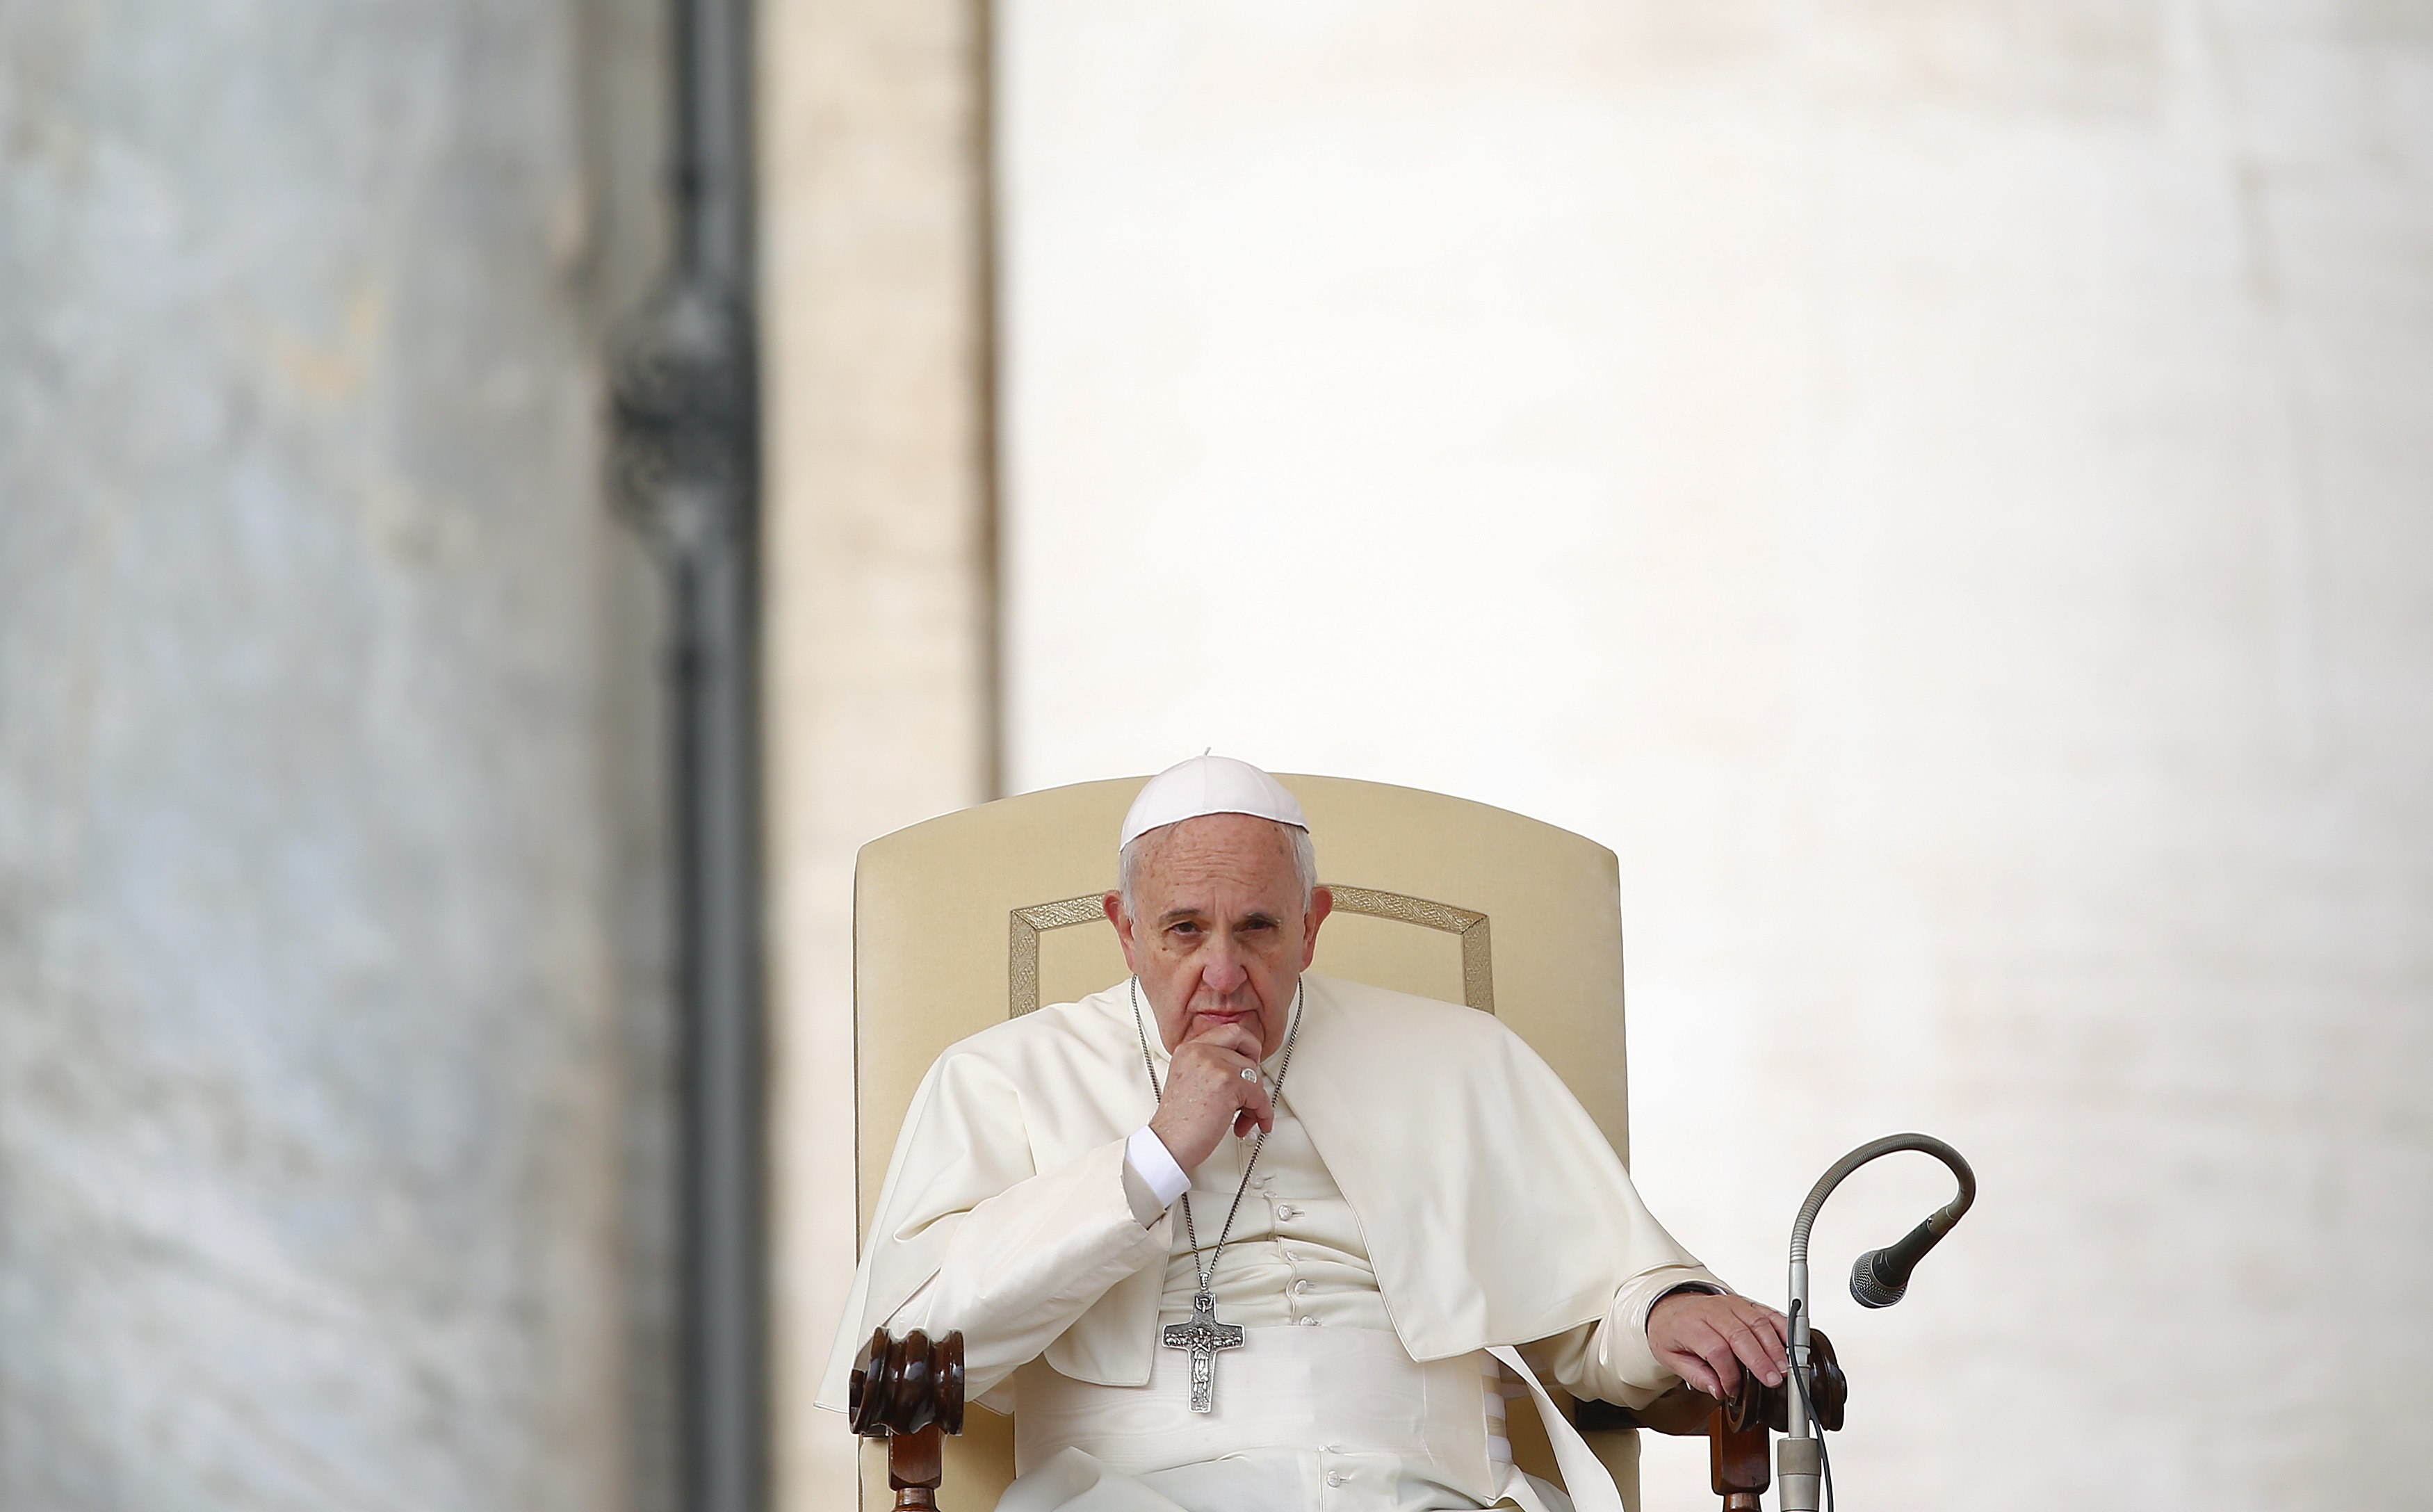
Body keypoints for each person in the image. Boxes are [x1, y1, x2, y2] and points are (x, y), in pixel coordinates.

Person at [821, 756, 1789, 1512]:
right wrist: (1153, 1157)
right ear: (1123, 929)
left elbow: (1594, 1306)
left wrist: (1663, 1314)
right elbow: (903, 1350)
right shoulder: (998, 1076)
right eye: (1183, 930)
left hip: (1438, 1493)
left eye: (1258, 927)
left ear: (1313, 924)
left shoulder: (1461, 1058)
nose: (1223, 971)